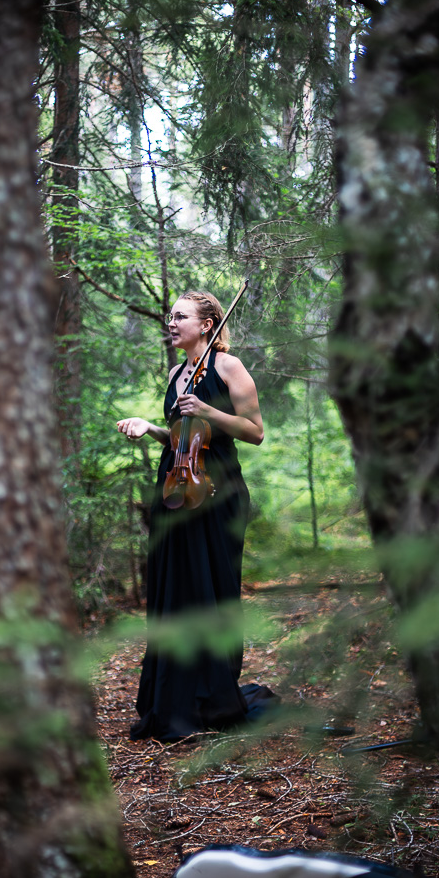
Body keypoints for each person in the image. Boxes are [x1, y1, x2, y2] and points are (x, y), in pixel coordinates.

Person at [117, 289, 276, 741]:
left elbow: (255, 432)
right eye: (170, 316)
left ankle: (213, 701)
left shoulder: (228, 366)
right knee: (174, 593)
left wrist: (207, 409)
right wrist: (151, 428)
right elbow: (181, 437)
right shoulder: (175, 373)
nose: (171, 322)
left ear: (206, 325)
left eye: (181, 316)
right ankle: (173, 702)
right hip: (174, 491)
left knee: (211, 591)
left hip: (217, 493)